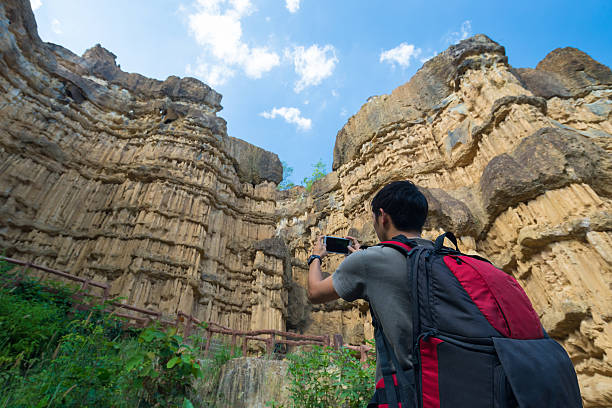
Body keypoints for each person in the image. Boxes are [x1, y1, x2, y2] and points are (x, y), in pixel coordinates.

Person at [306, 180, 430, 386]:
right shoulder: (446, 256)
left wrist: (315, 257)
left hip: (407, 391)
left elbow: (315, 292)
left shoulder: (369, 259)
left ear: (383, 217)